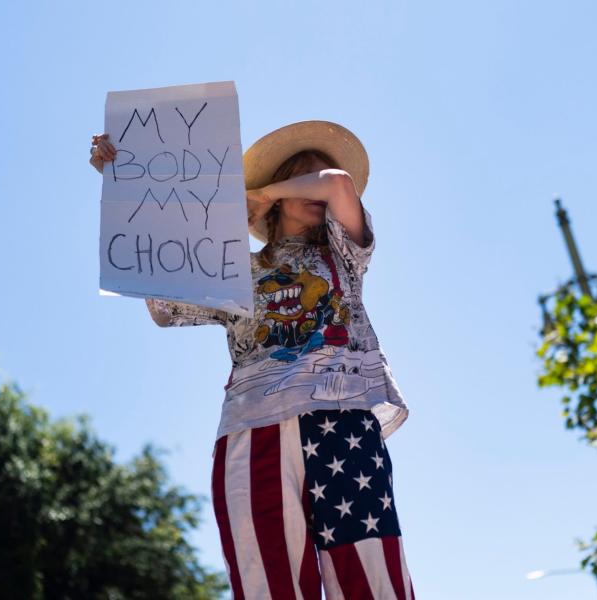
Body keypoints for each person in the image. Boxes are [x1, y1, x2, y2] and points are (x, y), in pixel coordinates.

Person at [90, 120, 415, 599]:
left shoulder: (345, 254)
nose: (319, 184)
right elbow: (161, 300)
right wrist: (122, 181)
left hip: (343, 420)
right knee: (268, 586)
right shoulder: (235, 267)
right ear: (280, 198)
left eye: (318, 177)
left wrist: (263, 191)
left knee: (372, 581)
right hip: (252, 430)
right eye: (305, 175)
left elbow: (339, 185)